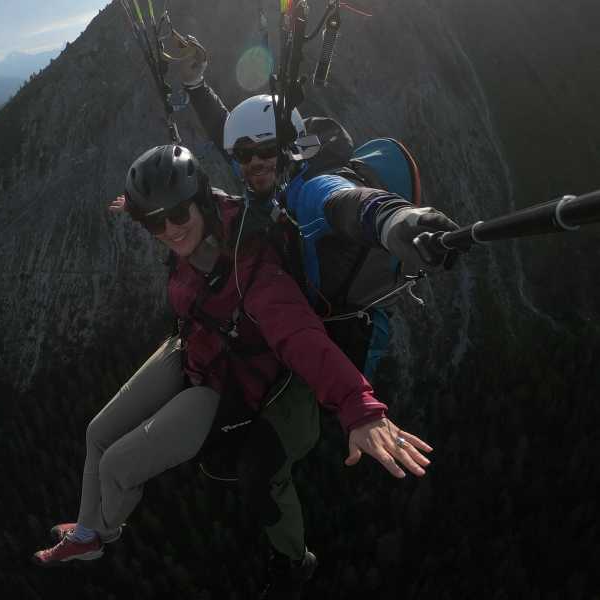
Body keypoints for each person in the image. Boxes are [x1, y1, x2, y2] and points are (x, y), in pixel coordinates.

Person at [32, 146, 433, 587]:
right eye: (154, 222)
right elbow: (169, 215)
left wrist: (360, 408)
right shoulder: (200, 215)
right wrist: (137, 208)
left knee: (115, 468)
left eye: (177, 214)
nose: (167, 230)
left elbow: (300, 337)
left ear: (201, 199)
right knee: (96, 433)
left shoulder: (252, 268)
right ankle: (85, 534)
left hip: (222, 386)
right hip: (192, 346)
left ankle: (100, 535)